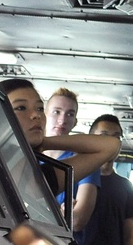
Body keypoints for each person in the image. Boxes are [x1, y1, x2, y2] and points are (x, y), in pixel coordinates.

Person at [0, 79, 118, 196]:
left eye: (39, 108)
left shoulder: (41, 179)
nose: (36, 115)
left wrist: (44, 143)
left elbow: (111, 146)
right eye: (21, 108)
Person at [77, 114, 133, 245]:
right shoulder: (77, 179)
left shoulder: (126, 186)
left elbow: (129, 234)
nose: (110, 143)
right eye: (103, 136)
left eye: (116, 137)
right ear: (91, 138)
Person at [41, 88, 101, 235]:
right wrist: (60, 215)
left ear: (75, 122)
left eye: (70, 114)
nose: (62, 120)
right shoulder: (25, 155)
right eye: (56, 112)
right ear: (44, 116)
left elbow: (78, 221)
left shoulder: (84, 160)